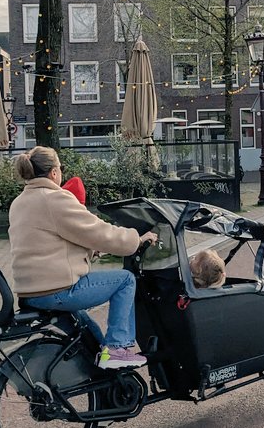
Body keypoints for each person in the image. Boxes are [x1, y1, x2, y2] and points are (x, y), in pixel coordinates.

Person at [8, 146, 158, 369]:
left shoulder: (19, 202)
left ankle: (104, 375)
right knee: (126, 280)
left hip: (31, 293)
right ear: (54, 173)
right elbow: (98, 231)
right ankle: (117, 348)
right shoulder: (55, 199)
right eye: (60, 168)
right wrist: (136, 238)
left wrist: (90, 251)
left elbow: (51, 242)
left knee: (90, 334)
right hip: (59, 290)